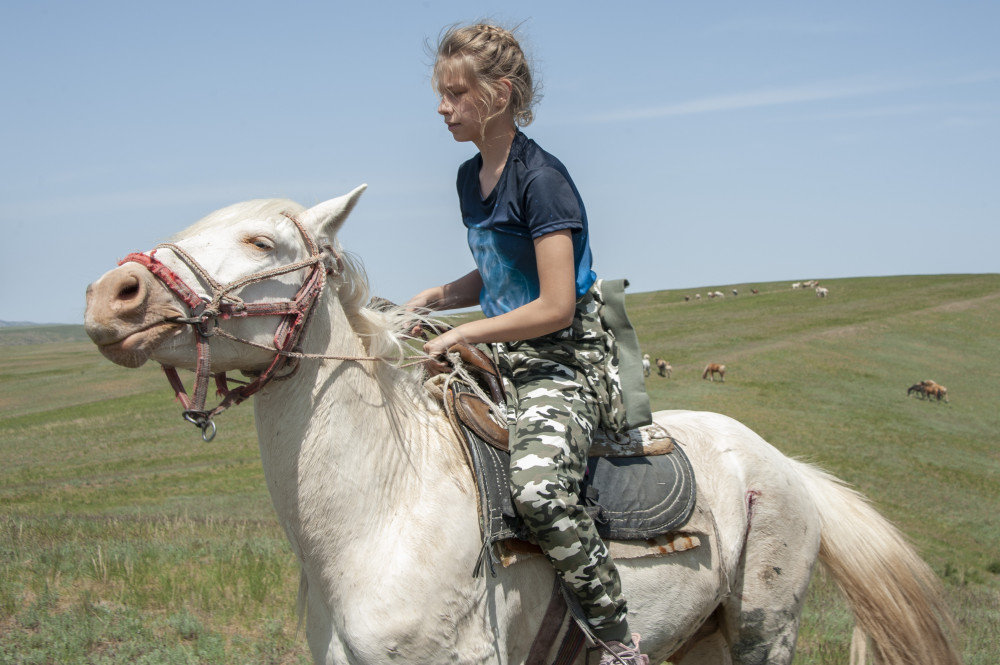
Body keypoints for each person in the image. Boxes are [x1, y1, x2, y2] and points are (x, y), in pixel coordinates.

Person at [405, 23, 648, 665]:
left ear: (499, 93)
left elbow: (554, 302)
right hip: (502, 353)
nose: (442, 106)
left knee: (540, 492)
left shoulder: (543, 180)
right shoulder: (468, 178)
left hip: (562, 362)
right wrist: (432, 300)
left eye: (456, 93)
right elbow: (501, 273)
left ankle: (618, 637)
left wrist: (465, 330)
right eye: (442, 93)